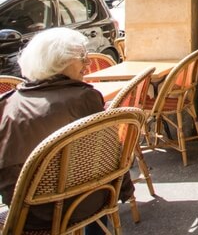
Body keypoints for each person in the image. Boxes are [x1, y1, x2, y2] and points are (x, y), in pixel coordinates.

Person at [0, 28, 134, 234]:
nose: (88, 63)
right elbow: (105, 155)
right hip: (77, 202)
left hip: (24, 210)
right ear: (59, 61)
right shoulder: (84, 98)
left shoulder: (9, 103)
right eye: (82, 57)